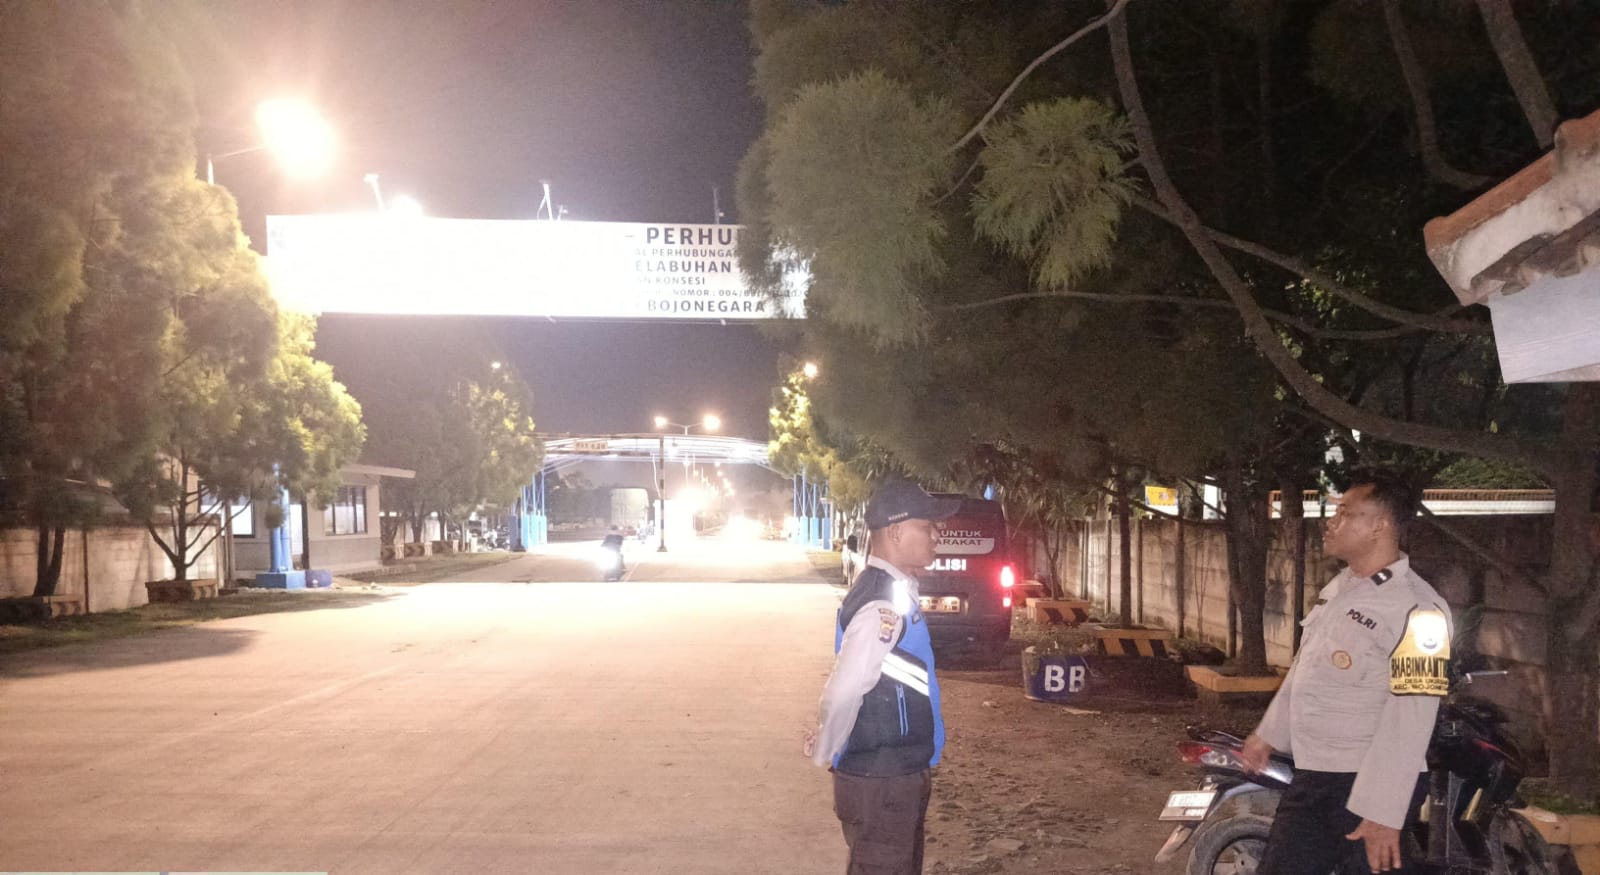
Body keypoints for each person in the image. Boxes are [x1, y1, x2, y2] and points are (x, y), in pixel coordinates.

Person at [1240, 470, 1454, 874]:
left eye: (1345, 513)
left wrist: (1383, 811)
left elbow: (1412, 715)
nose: (1331, 522)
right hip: (1317, 773)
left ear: (1380, 526)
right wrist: (1269, 734)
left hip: (1367, 783)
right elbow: (1308, 669)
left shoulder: (1418, 609)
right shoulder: (1341, 588)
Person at [802, 479, 958, 875]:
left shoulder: (892, 590)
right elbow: (846, 688)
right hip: (882, 780)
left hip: (892, 773)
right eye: (927, 526)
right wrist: (828, 747)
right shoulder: (881, 603)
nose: (937, 535)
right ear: (896, 531)